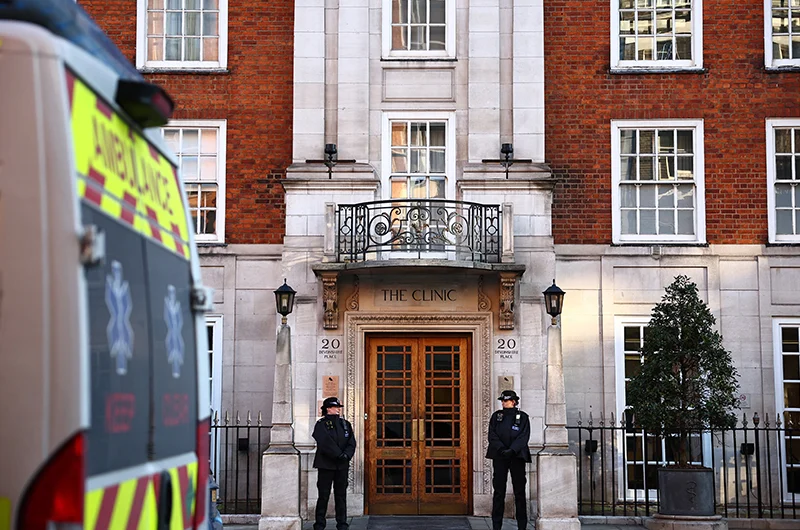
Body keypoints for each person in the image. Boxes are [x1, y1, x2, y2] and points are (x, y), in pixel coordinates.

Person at [486, 389, 532, 530]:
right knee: (499, 492)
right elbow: (492, 435)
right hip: (500, 457)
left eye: (506, 400)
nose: (504, 403)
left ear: (514, 402)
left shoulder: (522, 417)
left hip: (517, 457)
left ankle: (522, 526)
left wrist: (512, 450)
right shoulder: (496, 416)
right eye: (502, 401)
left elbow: (524, 436)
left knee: (519, 492)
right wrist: (502, 449)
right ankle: (496, 526)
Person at [312, 396, 356, 530]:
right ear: (328, 409)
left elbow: (351, 442)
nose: (338, 410)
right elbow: (324, 442)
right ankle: (319, 524)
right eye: (335, 407)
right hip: (326, 465)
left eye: (338, 407)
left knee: (341, 495)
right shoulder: (321, 424)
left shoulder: (345, 424)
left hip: (341, 466)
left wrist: (346, 455)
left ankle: (342, 523)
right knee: (323, 495)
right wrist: (338, 454)